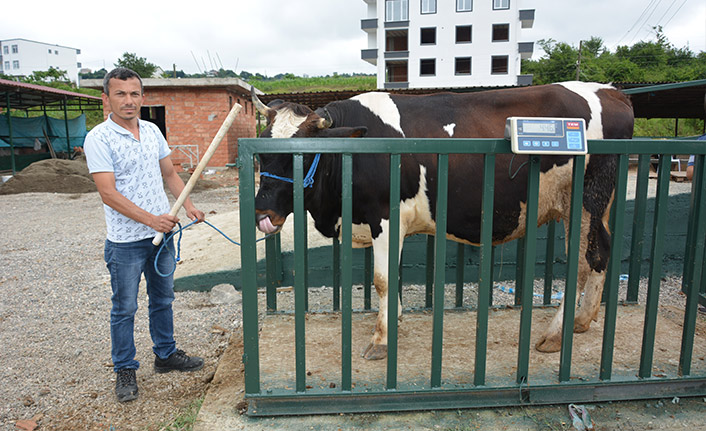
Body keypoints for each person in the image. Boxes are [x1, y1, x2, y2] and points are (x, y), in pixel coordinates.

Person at [84, 67, 205, 403]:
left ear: (143, 97)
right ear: (106, 98)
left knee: (163, 299)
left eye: (134, 93)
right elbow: (107, 193)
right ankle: (125, 368)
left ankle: (165, 355)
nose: (128, 101)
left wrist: (190, 205)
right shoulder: (98, 138)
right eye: (120, 94)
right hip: (125, 241)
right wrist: (152, 220)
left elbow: (169, 173)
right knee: (124, 307)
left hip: (161, 235)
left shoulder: (152, 130)